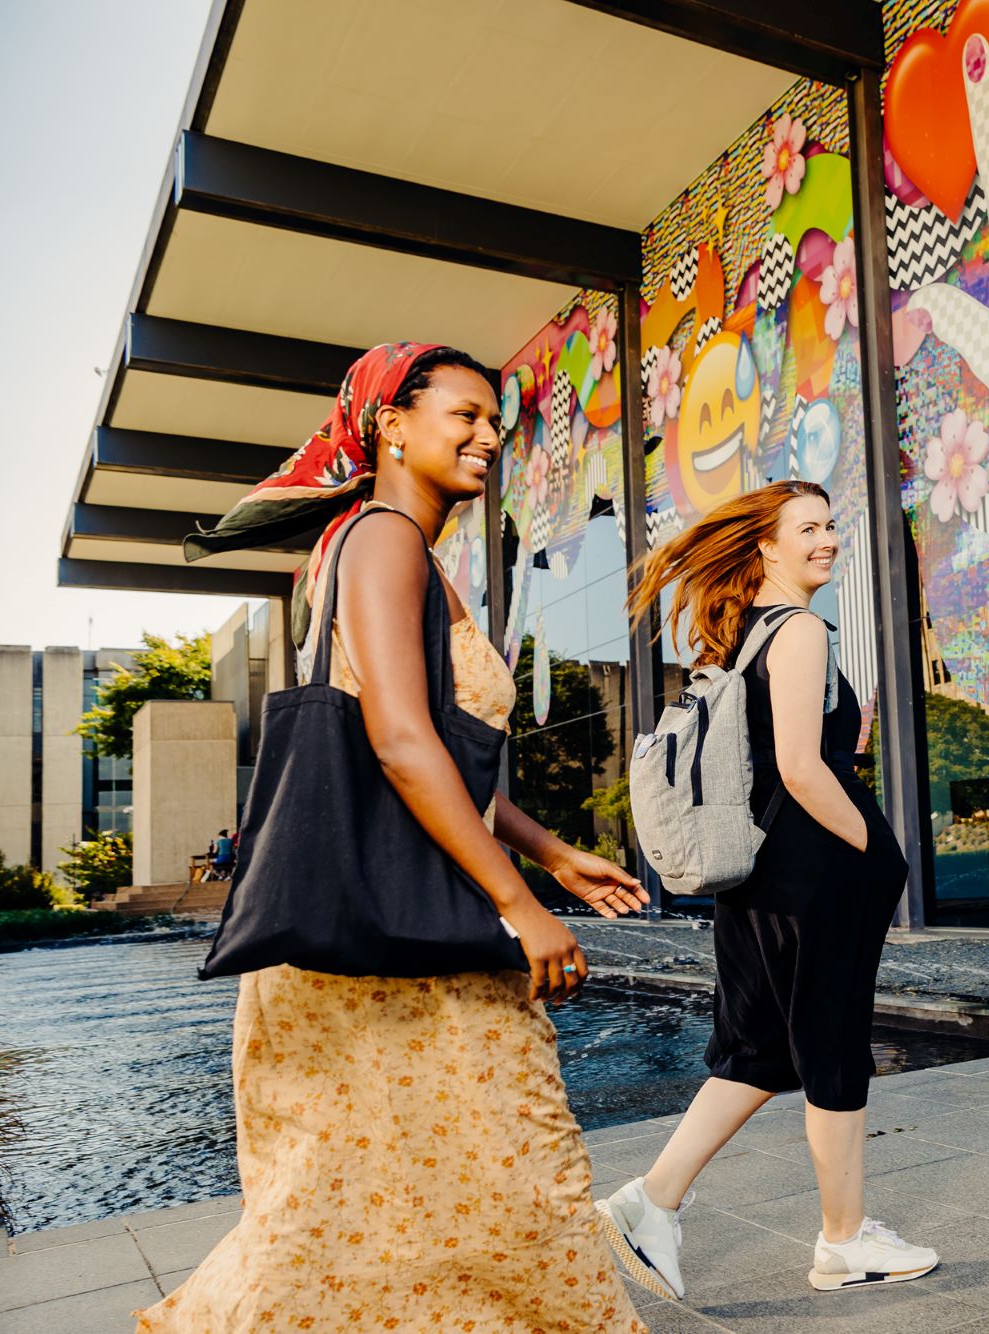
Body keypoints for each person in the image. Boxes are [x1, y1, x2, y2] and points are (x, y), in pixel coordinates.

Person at [138, 342, 652, 1334]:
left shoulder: (404, 559)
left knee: (365, 1197)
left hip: (379, 935)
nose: (486, 435)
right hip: (399, 944)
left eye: (495, 420)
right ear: (391, 425)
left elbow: (432, 751)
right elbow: (399, 738)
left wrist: (551, 850)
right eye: (462, 413)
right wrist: (518, 902)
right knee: (509, 1169)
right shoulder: (383, 540)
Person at [599, 479, 934, 1300]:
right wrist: (873, 851)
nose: (827, 539)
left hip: (754, 876)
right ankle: (845, 1241)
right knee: (831, 1046)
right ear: (766, 548)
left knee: (761, 1051)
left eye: (829, 524)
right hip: (813, 874)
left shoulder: (740, 639)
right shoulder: (799, 631)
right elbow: (798, 765)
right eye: (807, 528)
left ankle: (651, 1202)